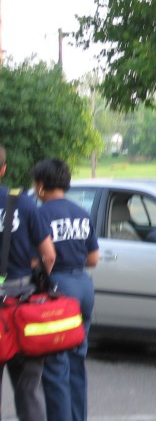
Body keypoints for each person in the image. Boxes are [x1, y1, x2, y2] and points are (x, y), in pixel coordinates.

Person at [32, 159, 99, 421]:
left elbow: (39, 258)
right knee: (76, 362)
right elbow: (93, 259)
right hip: (84, 287)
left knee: (54, 365)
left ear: (40, 186)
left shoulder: (40, 214)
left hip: (59, 289)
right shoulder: (82, 212)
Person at [0, 145, 56, 421]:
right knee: (28, 389)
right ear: (3, 169)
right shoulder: (21, 202)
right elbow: (49, 254)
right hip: (23, 305)